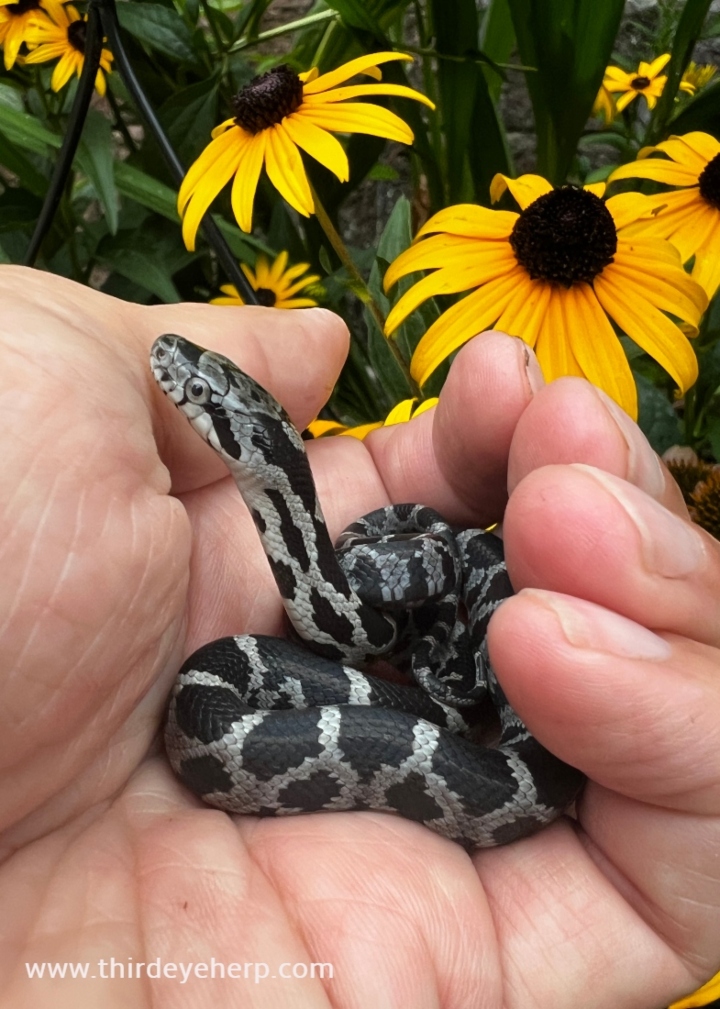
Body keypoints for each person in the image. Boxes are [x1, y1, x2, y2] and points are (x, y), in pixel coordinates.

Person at [1, 263, 718, 1008]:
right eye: (208, 392)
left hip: (431, 696)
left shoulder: (353, 572)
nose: (190, 387)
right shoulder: (273, 600)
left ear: (258, 452)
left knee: (543, 619)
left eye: (208, 400)